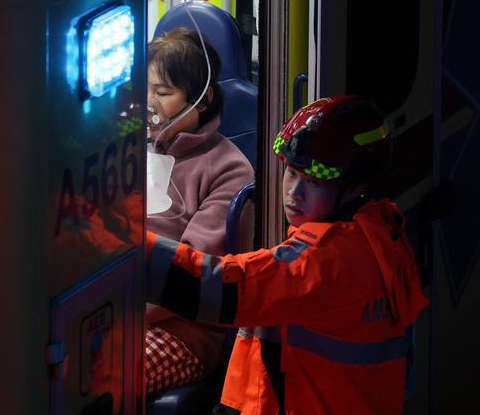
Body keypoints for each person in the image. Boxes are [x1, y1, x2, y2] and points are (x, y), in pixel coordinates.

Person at [146, 95, 428, 414]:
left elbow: (220, 289)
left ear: (353, 189)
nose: (294, 194)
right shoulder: (382, 233)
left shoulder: (327, 260)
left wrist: (126, 245)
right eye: (292, 174)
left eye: (314, 182)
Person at [145, 27, 254, 394]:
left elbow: (193, 276)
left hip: (180, 329)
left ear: (202, 100)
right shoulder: (125, 150)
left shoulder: (228, 168)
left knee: (89, 374)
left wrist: (119, 311)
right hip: (110, 311)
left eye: (162, 92)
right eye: (142, 90)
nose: (148, 104)